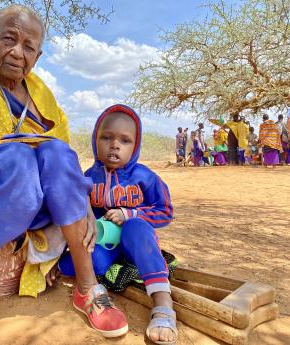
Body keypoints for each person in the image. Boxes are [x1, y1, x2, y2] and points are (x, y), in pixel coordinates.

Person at [0, 5, 127, 345]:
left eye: (28, 46)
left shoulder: (43, 96)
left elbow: (65, 166)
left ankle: (88, 288)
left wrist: (86, 210)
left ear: (38, 54)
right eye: (9, 39)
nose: (17, 52)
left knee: (59, 153)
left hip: (37, 199)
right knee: (17, 158)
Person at [59, 105, 176, 345]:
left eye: (125, 140)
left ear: (135, 147)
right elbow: (78, 216)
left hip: (137, 244)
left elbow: (165, 211)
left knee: (135, 227)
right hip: (108, 244)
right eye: (107, 137)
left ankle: (163, 304)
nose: (115, 145)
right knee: (79, 265)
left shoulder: (145, 177)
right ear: (95, 140)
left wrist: (130, 213)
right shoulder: (89, 176)